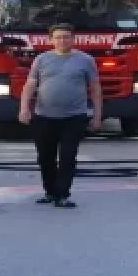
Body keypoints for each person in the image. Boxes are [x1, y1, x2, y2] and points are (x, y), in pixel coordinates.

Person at [19, 23, 102, 208]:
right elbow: (30, 85)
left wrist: (97, 116)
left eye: (66, 37)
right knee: (45, 157)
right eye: (58, 37)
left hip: (74, 117)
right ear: (51, 40)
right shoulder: (41, 59)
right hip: (44, 116)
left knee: (68, 156)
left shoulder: (85, 60)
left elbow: (95, 89)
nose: (62, 41)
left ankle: (63, 194)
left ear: (73, 39)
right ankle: (50, 192)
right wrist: (24, 108)